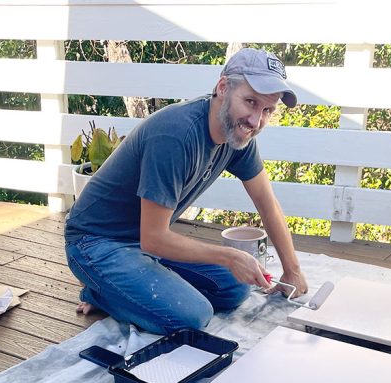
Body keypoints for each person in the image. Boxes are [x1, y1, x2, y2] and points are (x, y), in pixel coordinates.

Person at [64, 47, 309, 335]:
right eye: (250, 102)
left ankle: (128, 283)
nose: (256, 121)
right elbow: (154, 239)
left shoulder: (238, 135)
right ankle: (101, 291)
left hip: (142, 243)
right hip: (95, 242)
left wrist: (292, 269)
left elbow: (268, 204)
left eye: (267, 110)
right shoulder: (176, 135)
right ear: (222, 88)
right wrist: (228, 256)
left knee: (237, 288)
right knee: (193, 315)